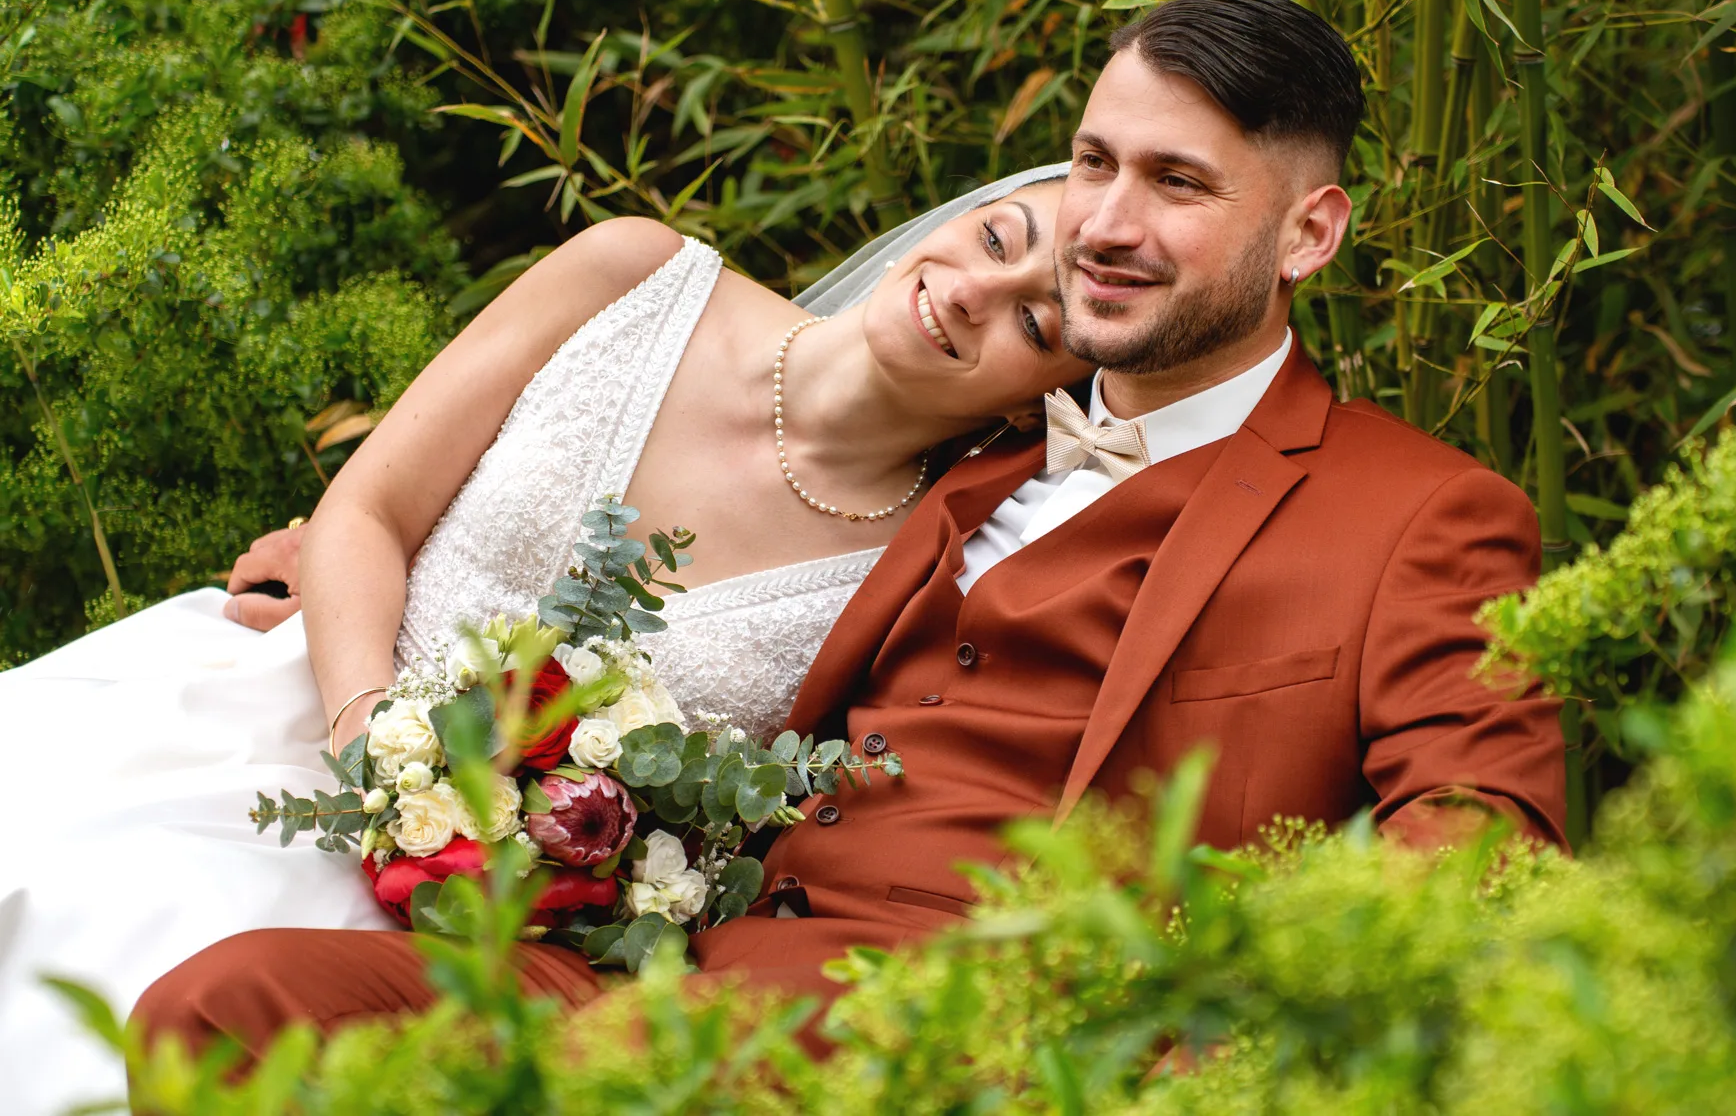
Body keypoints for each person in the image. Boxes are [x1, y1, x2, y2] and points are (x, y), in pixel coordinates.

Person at [134, 0, 1567, 1065]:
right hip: (671, 987)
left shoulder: (1420, 512)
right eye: (1093, 161)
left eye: (1178, 186)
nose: (1104, 224)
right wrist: (346, 563)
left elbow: (1485, 831)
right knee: (224, 998)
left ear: (1308, 234)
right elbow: (722, 520)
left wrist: (1197, 1029)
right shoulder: (973, 443)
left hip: (954, 1037)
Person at [0, 168, 1087, 1115]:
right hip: (295, 711)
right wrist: (368, 733)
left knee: (209, 996)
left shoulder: (933, 560)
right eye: (999, 239)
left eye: (1035, 326)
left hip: (490, 912)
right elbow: (368, 508)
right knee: (76, 887)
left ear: (1045, 396)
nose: (979, 293)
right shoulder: (637, 271)